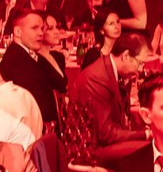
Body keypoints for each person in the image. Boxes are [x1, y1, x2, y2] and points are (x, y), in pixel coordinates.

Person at [62, 32, 148, 163]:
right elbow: (105, 134)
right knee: (147, 150)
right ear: (125, 56)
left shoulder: (116, 72)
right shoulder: (97, 78)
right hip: (90, 149)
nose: (141, 69)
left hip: (103, 141)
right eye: (140, 63)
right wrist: (144, 134)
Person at [0, 10, 65, 129]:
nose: (40, 33)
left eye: (42, 28)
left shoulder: (29, 56)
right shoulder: (17, 59)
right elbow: (40, 104)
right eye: (34, 28)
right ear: (18, 32)